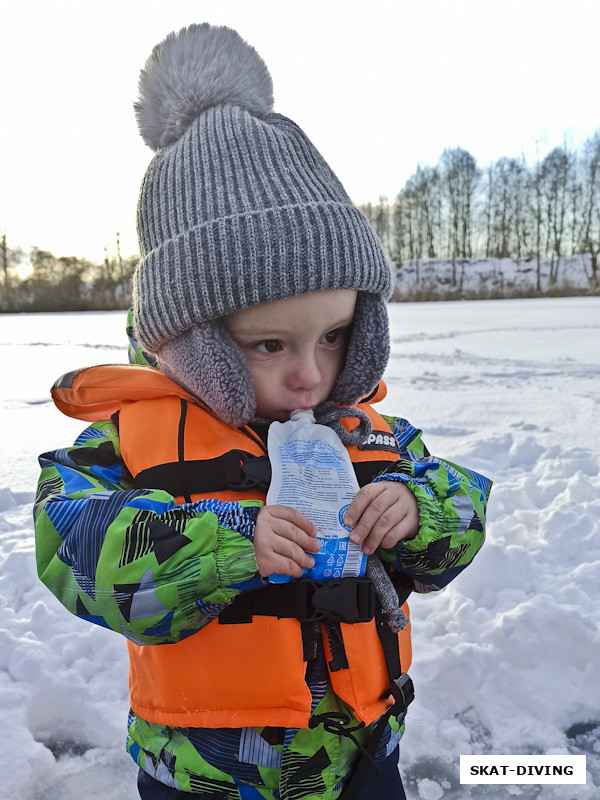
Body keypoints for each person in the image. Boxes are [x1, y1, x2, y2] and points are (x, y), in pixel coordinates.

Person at [34, 23, 492, 800]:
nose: (311, 376)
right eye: (269, 344)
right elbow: (68, 543)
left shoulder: (366, 431)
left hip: (365, 758)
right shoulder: (132, 439)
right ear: (193, 338)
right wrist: (229, 544)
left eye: (337, 336)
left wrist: (419, 511)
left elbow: (465, 504)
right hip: (206, 779)